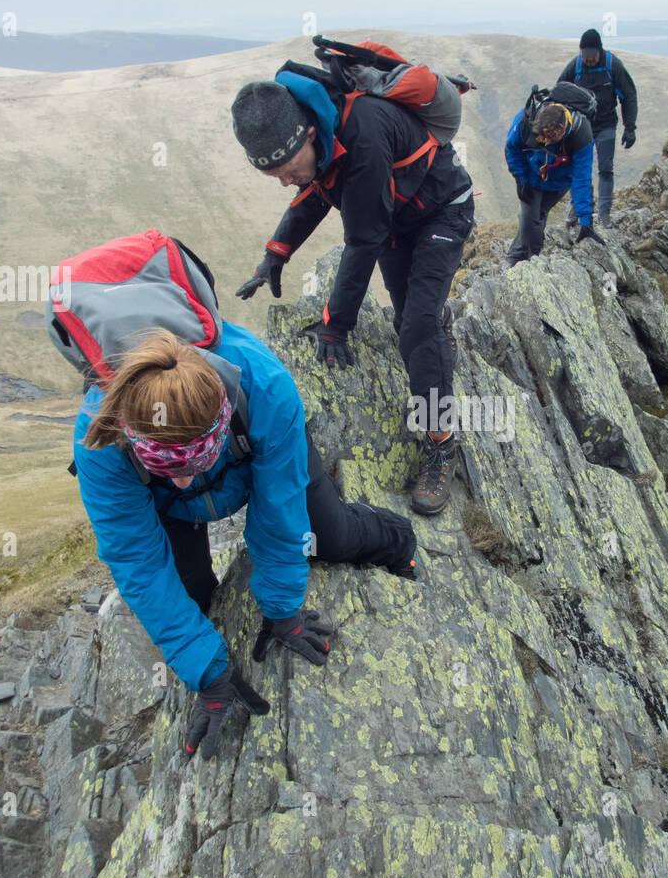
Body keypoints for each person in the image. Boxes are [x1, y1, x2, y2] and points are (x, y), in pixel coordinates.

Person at [72, 326, 418, 761]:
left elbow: (279, 509)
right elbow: (136, 559)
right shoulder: (100, 440)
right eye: (166, 465)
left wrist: (283, 610)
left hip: (256, 455)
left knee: (330, 539)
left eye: (195, 462)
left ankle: (398, 539)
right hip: (169, 507)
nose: (184, 481)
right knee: (190, 595)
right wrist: (205, 669)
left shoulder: (265, 390)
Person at [231, 72, 475, 516]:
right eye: (275, 175)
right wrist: (275, 254)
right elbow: (315, 192)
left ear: (308, 135)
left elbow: (363, 240)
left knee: (417, 328)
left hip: (442, 211)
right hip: (396, 220)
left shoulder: (363, 133)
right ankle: (435, 325)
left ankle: (441, 440)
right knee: (408, 321)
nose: (286, 181)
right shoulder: (320, 140)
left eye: (287, 169)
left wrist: (336, 325)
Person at [504, 99, 603, 267]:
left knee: (539, 215)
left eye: (549, 139)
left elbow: (582, 180)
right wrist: (521, 180)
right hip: (532, 178)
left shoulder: (581, 137)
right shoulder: (527, 119)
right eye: (541, 137)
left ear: (563, 131)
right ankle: (523, 260)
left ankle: (526, 259)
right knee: (529, 218)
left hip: (559, 183)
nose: (544, 142)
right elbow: (512, 149)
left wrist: (585, 221)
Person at [557, 29, 638, 228]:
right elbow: (559, 92)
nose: (588, 59)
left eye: (592, 55)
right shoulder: (575, 67)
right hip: (580, 128)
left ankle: (604, 215)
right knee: (578, 169)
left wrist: (630, 128)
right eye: (585, 55)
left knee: (605, 169)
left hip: (606, 124)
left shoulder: (612, 65)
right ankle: (577, 211)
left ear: (599, 51)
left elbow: (628, 95)